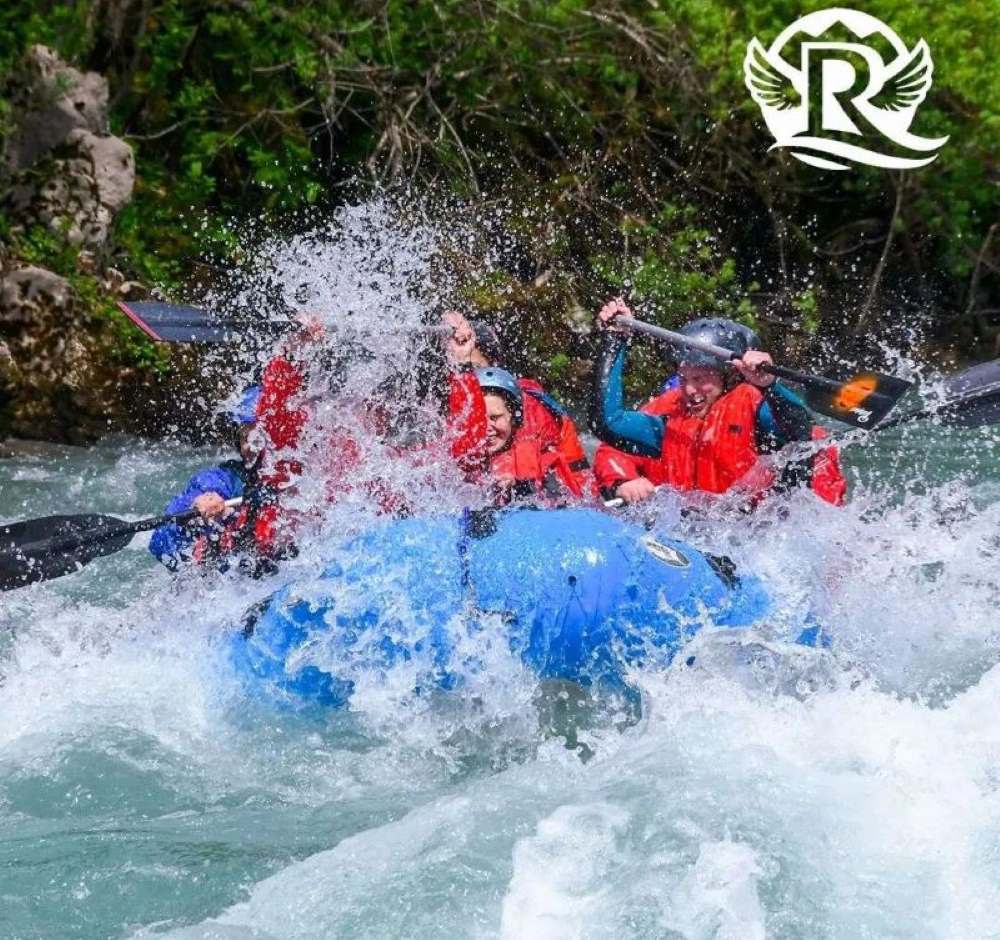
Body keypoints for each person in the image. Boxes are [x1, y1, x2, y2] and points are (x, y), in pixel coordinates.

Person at [592, 299, 846, 506]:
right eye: (683, 378)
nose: (690, 389)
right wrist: (614, 340)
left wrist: (769, 384)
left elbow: (799, 431)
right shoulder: (673, 416)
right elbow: (608, 424)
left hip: (763, 537)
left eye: (701, 378)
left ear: (730, 376)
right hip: (704, 534)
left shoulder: (754, 407)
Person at [442, 310, 592, 494]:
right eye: (469, 373)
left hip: (569, 498)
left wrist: (504, 474)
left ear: (494, 364)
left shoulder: (526, 405)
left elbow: (524, 450)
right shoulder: (464, 402)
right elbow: (464, 447)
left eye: (476, 369)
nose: (476, 381)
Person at [149, 385, 265, 570]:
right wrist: (195, 507)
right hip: (231, 583)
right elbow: (160, 542)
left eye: (260, 436)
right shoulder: (224, 480)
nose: (252, 446)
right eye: (246, 436)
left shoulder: (312, 482)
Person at [475, 366, 586, 504]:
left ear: (513, 416)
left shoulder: (531, 441)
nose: (486, 428)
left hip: (558, 449)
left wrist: (513, 484)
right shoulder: (460, 433)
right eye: (479, 419)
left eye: (495, 418)